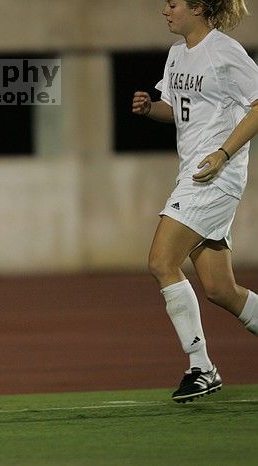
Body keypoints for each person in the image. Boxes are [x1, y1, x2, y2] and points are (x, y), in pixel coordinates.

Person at [132, 0, 258, 403]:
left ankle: (201, 366)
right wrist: (152, 109)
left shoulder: (224, 51)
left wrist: (223, 153)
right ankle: (203, 367)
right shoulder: (176, 54)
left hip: (215, 177)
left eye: (172, 3)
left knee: (161, 261)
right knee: (221, 289)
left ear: (199, 7)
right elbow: (179, 110)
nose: (164, 10)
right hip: (194, 173)